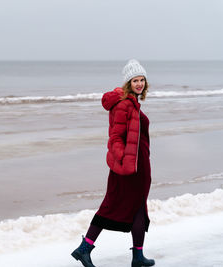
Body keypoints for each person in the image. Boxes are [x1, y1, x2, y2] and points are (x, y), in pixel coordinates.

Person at [71, 59, 155, 267]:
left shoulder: (134, 103)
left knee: (138, 209)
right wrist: (124, 159)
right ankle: (84, 249)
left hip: (140, 166)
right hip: (128, 168)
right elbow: (115, 138)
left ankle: (137, 257)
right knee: (111, 206)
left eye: (142, 80)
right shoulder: (124, 105)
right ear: (128, 83)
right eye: (135, 80)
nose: (139, 84)